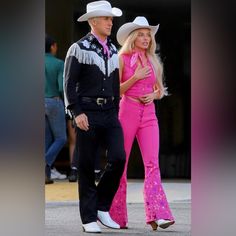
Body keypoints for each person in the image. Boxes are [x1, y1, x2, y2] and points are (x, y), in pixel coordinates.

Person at [63, 1, 126, 233]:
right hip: (86, 113)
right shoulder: (78, 48)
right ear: (93, 21)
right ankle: (88, 217)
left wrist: (116, 108)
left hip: (110, 113)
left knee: (119, 157)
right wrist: (76, 112)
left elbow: (115, 83)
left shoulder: (113, 48)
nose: (111, 22)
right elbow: (68, 83)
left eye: (111, 18)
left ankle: (100, 206)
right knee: (87, 166)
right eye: (106, 18)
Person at [109, 16, 175, 230]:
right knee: (121, 163)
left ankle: (159, 214)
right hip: (127, 110)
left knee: (152, 163)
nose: (147, 39)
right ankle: (116, 216)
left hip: (149, 114)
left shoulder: (153, 61)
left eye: (149, 35)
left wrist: (154, 96)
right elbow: (114, 91)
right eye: (142, 35)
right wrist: (135, 77)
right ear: (133, 37)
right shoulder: (122, 58)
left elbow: (160, 91)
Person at [45, 35, 67, 184]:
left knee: (46, 139)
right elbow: (61, 87)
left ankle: (45, 176)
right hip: (53, 101)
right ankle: (44, 162)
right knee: (61, 138)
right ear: (52, 46)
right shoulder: (59, 63)